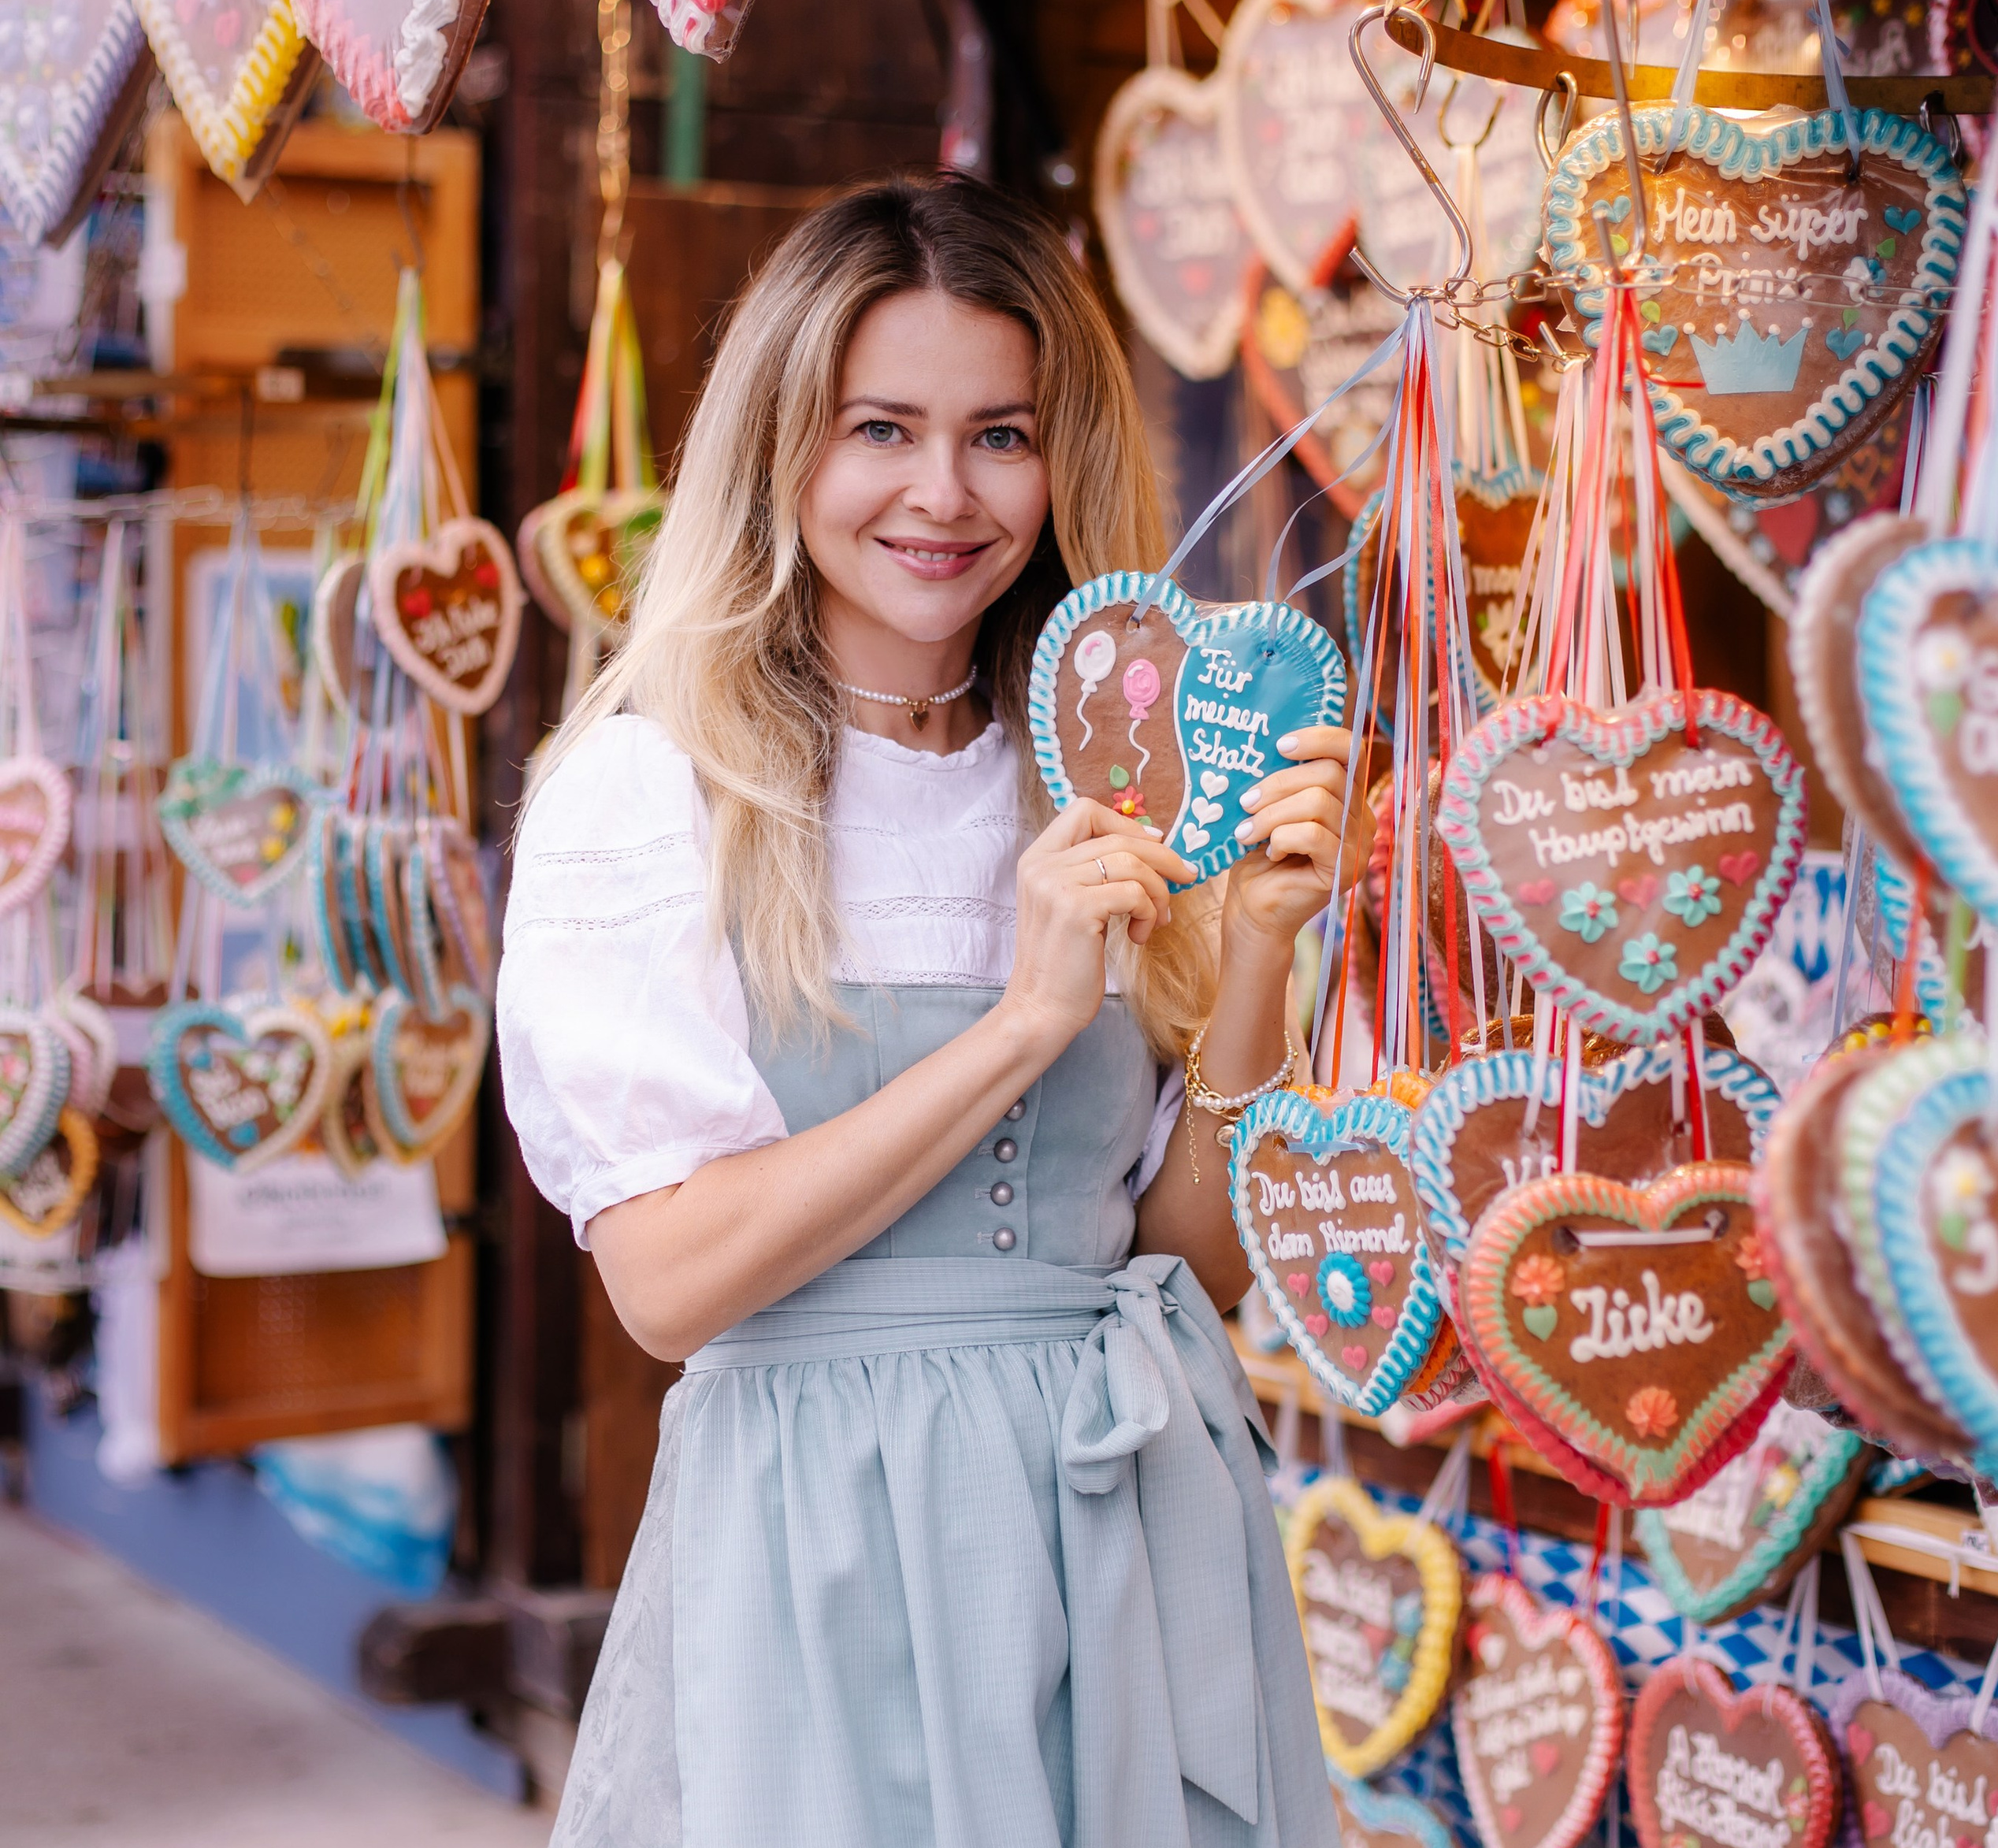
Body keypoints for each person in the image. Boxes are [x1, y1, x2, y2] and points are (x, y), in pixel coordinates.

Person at [499, 174, 1365, 1848]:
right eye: (878, 428)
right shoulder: (655, 785)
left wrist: (1255, 946)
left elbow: (1187, 1263)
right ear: (779, 447)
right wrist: (1021, 1023)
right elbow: (669, 1284)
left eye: (1000, 434)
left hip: (1117, 1525)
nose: (943, 494)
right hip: (823, 1543)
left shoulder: (1118, 774)